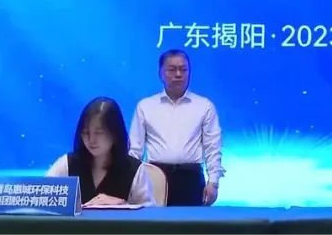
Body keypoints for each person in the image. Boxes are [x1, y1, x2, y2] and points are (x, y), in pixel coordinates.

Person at [129, 49, 224, 206]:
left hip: (191, 178)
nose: (178, 74)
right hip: (155, 178)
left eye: (183, 69)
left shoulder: (204, 106)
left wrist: (213, 183)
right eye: (172, 69)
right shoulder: (145, 106)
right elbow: (135, 150)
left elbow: (212, 147)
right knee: (153, 221)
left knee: (192, 222)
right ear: (160, 73)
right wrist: (129, 182)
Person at [46, 97, 154, 207]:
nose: (91, 140)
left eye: (99, 133)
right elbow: (43, 196)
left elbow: (150, 211)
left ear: (115, 134)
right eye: (85, 132)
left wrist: (122, 204)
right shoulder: (67, 164)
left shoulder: (134, 170)